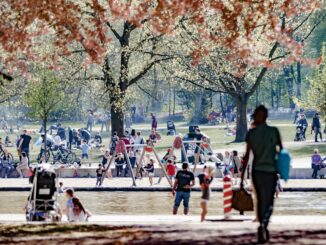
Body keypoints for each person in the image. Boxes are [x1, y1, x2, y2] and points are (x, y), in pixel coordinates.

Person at [241, 105, 283, 244]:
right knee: (269, 200)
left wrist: (242, 178)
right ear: (266, 116)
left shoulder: (251, 133)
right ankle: (264, 224)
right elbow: (281, 152)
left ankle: (261, 225)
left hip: (257, 170)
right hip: (270, 170)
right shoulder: (274, 131)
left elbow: (247, 157)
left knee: (260, 199)